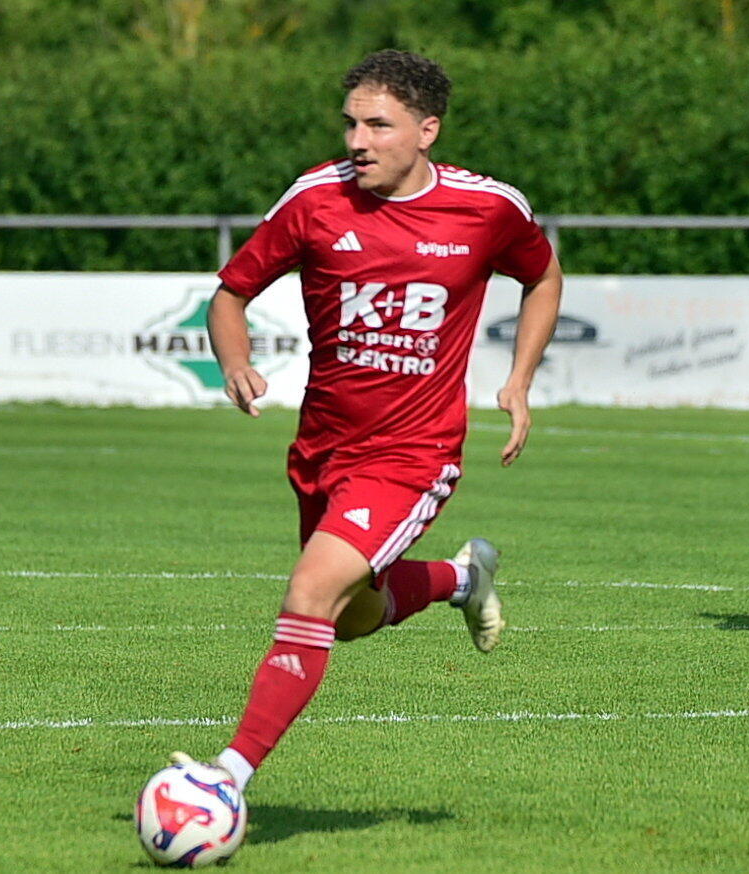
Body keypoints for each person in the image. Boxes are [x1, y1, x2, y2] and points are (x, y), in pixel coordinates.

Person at [169, 50, 562, 795]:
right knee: (349, 618)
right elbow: (230, 294)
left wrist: (518, 379)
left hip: (414, 454)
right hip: (321, 451)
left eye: (378, 126)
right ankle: (461, 578)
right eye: (350, 124)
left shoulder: (487, 210)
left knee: (309, 594)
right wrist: (235, 362)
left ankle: (224, 781)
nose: (357, 141)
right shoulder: (315, 200)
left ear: (426, 131)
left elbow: (542, 276)